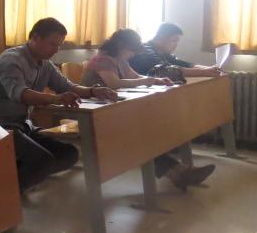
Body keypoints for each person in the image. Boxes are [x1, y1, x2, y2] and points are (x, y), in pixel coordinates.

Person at [0, 17, 118, 192]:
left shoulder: (45, 64)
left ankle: (18, 177)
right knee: (43, 161)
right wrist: (56, 99)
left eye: (59, 45)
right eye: (53, 44)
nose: (56, 50)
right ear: (35, 38)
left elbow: (67, 86)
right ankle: (5, 194)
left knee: (69, 154)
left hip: (23, 125)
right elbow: (20, 94)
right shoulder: (11, 59)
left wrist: (93, 91)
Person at [85, 29, 214, 189]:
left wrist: (157, 80)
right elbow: (114, 83)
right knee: (140, 135)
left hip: (112, 110)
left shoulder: (120, 60)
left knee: (147, 131)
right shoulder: (103, 60)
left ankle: (178, 173)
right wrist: (146, 81)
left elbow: (136, 77)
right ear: (120, 45)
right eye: (131, 50)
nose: (132, 55)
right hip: (94, 113)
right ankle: (179, 172)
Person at [129, 23, 223, 78]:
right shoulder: (145, 50)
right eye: (174, 40)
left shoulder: (162, 51)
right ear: (161, 38)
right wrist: (204, 72)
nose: (176, 45)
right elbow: (168, 70)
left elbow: (183, 64)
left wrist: (209, 68)